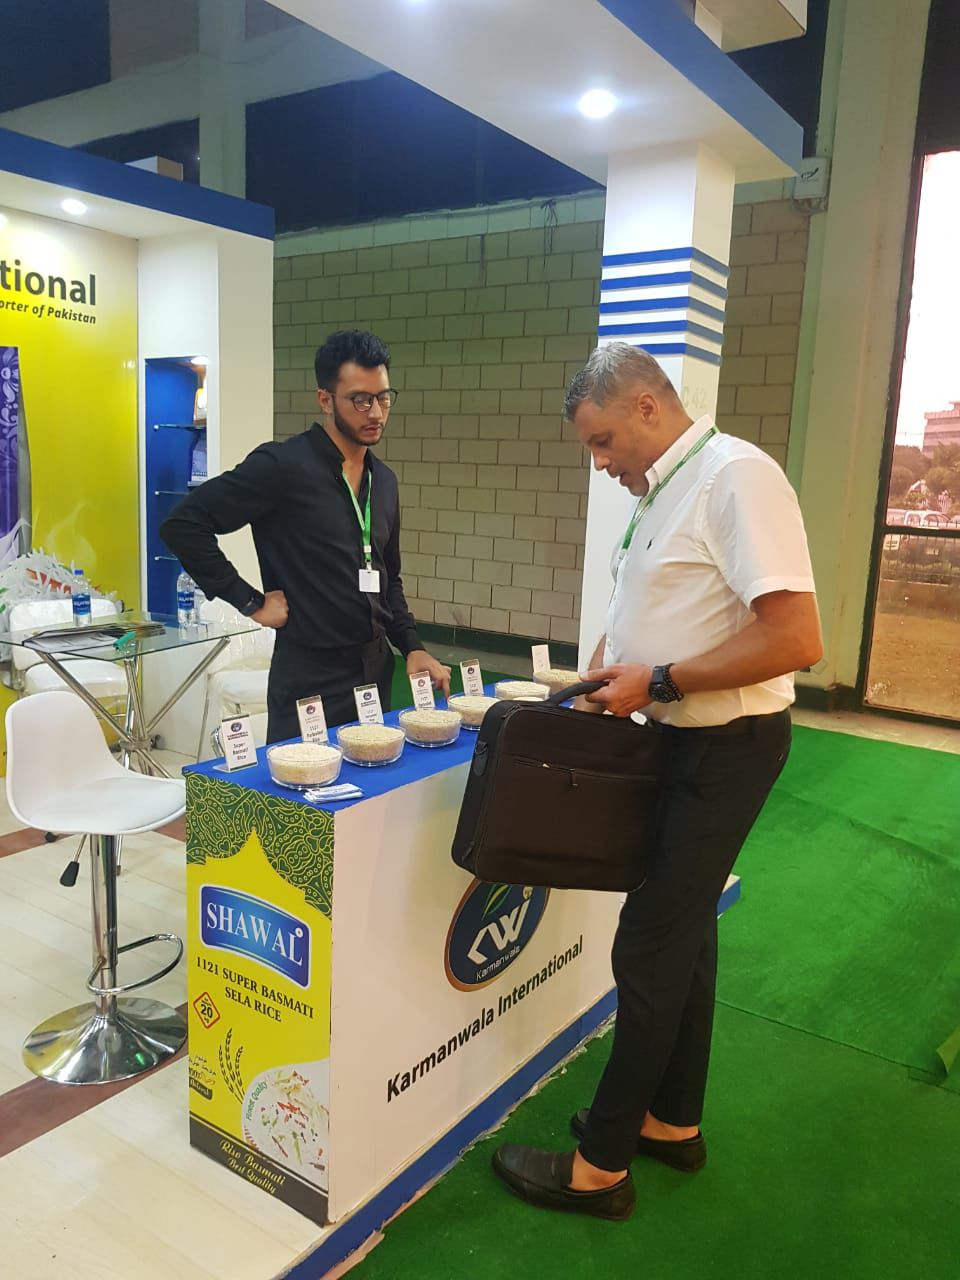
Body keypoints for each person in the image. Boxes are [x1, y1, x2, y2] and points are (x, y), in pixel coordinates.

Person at [491, 342, 822, 1221]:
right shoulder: (667, 488)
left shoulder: (735, 476)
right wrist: (620, 664)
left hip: (726, 747)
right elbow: (678, 603)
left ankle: (600, 1166)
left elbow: (795, 638)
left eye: (602, 441)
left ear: (646, 406)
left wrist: (661, 679)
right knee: (685, 934)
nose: (600, 464)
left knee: (648, 945)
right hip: (680, 744)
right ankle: (671, 1121)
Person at [160, 329, 450, 744]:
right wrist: (249, 601)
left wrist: (412, 646)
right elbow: (183, 524)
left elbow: (389, 578)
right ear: (325, 400)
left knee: (370, 781)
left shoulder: (384, 481)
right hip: (310, 677)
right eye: (360, 400)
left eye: (384, 398)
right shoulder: (283, 467)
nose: (376, 413)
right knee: (301, 784)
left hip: (374, 671)